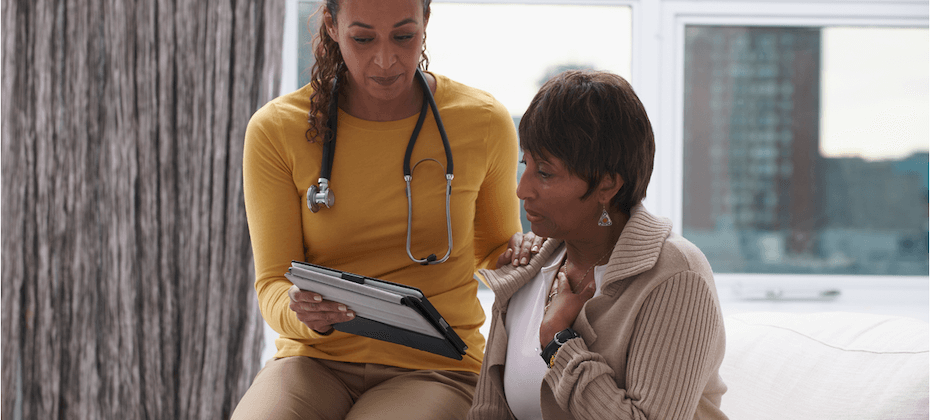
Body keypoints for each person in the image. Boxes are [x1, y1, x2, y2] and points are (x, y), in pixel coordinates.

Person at [231, 0, 535, 418]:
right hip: (314, 360)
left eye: (404, 36)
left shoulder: (483, 122)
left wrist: (518, 254)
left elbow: (493, 253)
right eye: (363, 38)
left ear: (426, 21)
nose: (386, 59)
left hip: (436, 367)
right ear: (332, 27)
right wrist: (302, 310)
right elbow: (272, 283)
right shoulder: (276, 130)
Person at [467, 70, 729, 420]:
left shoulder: (677, 276)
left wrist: (559, 342)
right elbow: (489, 410)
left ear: (607, 185)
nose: (522, 189)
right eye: (525, 165)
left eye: (545, 173)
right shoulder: (527, 268)